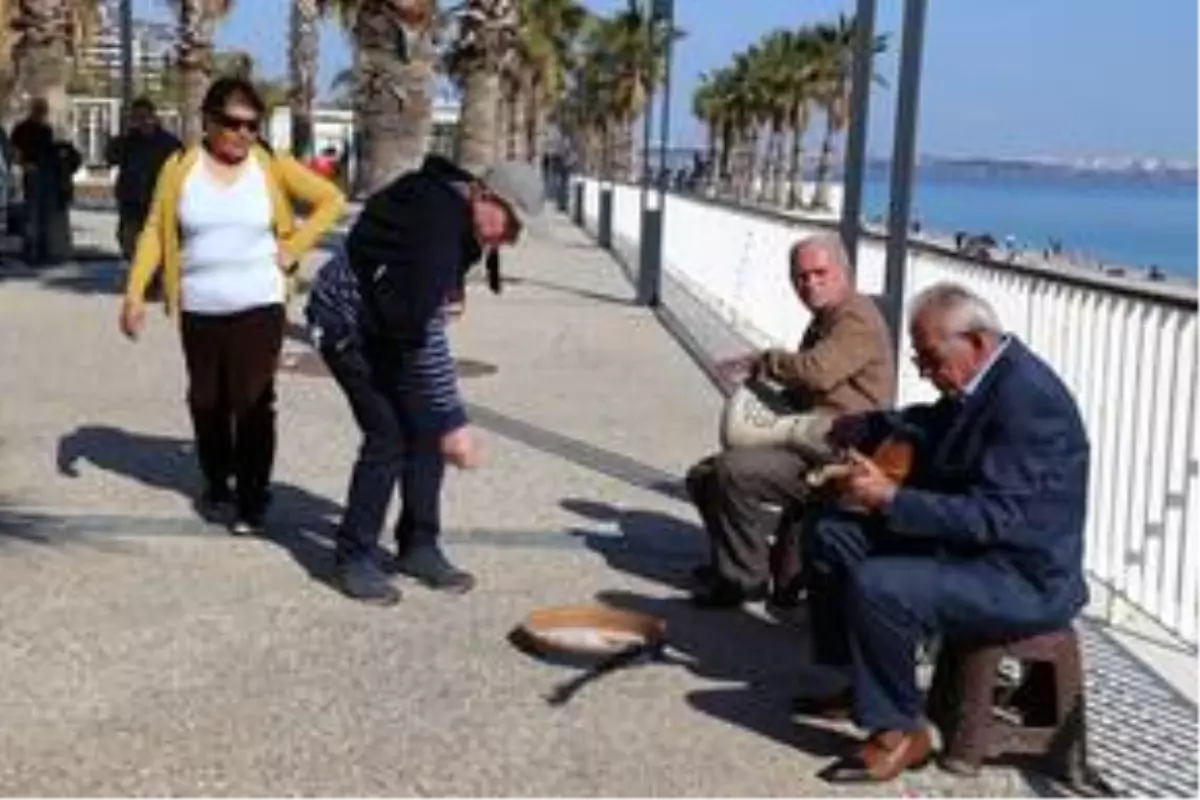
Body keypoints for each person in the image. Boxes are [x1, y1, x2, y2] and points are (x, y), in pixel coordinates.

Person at [795, 283, 1090, 784]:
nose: (926, 372)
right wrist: (865, 426)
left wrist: (890, 499)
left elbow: (993, 518)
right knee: (829, 532)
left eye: (930, 359)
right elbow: (936, 423)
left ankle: (899, 732)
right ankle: (865, 686)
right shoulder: (982, 379)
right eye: (919, 359)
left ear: (974, 342)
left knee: (880, 585)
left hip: (1021, 575)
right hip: (975, 550)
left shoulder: (1028, 401)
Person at [305, 154, 544, 606]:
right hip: (345, 324)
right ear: (486, 196)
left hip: (388, 323)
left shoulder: (459, 216)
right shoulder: (435, 227)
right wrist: (455, 419)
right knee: (388, 435)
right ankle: (352, 557)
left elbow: (418, 314)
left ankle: (419, 545)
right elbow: (422, 337)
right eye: (511, 224)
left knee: (425, 428)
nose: (511, 239)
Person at [119, 77, 345, 534]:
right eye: (234, 124)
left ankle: (252, 496)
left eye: (252, 125)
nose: (244, 134)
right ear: (208, 120)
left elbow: (331, 199)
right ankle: (217, 480)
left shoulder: (270, 164)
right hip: (199, 307)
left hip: (259, 303)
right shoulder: (180, 166)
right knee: (206, 399)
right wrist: (135, 293)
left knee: (253, 400)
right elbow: (153, 232)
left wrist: (295, 245)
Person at [685, 234, 895, 608]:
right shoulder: (825, 319)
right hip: (810, 438)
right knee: (703, 475)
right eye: (800, 277)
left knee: (732, 471)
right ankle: (742, 565)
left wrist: (766, 360)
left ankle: (743, 580)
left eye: (819, 273)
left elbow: (817, 373)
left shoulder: (855, 317)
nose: (810, 283)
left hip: (840, 454)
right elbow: (807, 390)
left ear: (844, 272)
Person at [106, 97, 183, 272]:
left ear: (153, 117)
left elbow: (179, 167)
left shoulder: (168, 142)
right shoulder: (127, 140)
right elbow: (111, 158)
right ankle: (140, 274)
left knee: (157, 241)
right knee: (128, 239)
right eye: (137, 118)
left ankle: (153, 277)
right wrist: (120, 136)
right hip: (131, 199)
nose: (142, 122)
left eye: (145, 117)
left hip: (157, 199)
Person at [10, 98, 57, 265]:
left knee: (42, 214)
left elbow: (50, 151)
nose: (42, 113)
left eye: (43, 110)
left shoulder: (46, 129)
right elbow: (14, 151)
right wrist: (23, 165)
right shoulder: (22, 128)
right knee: (31, 213)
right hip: (31, 173)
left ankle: (41, 250)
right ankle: (30, 251)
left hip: (45, 173)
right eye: (40, 110)